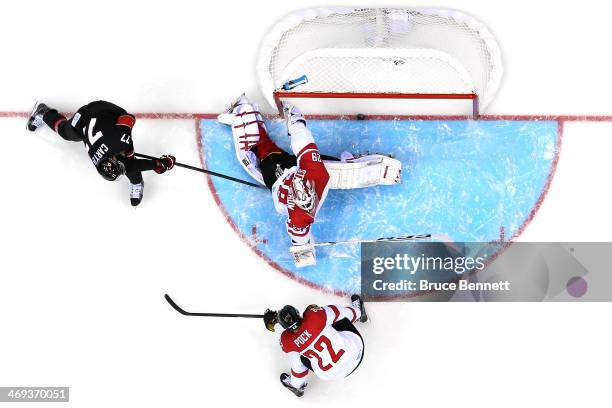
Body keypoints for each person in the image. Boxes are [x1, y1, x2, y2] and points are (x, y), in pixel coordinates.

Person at [218, 95, 336, 267]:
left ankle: (252, 128)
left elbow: (302, 141)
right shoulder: (314, 177)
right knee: (270, 151)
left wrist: (296, 122)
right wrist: (296, 122)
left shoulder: (301, 211)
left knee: (270, 154)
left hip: (280, 178)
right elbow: (303, 141)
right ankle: (342, 160)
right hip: (285, 176)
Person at [26, 100, 176, 206]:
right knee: (67, 134)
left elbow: (129, 117)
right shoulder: (104, 155)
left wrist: (158, 164)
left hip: (101, 115)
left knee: (129, 156)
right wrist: (157, 163)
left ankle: (136, 182)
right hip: (89, 119)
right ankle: (43, 112)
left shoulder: (119, 141)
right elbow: (128, 164)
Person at [263, 295, 368, 397]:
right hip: (356, 352)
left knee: (297, 355)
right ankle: (360, 313)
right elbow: (340, 312)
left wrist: (274, 322)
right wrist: (312, 309)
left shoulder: (287, 341)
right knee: (334, 316)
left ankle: (296, 385)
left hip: (332, 375)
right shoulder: (315, 316)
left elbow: (281, 335)